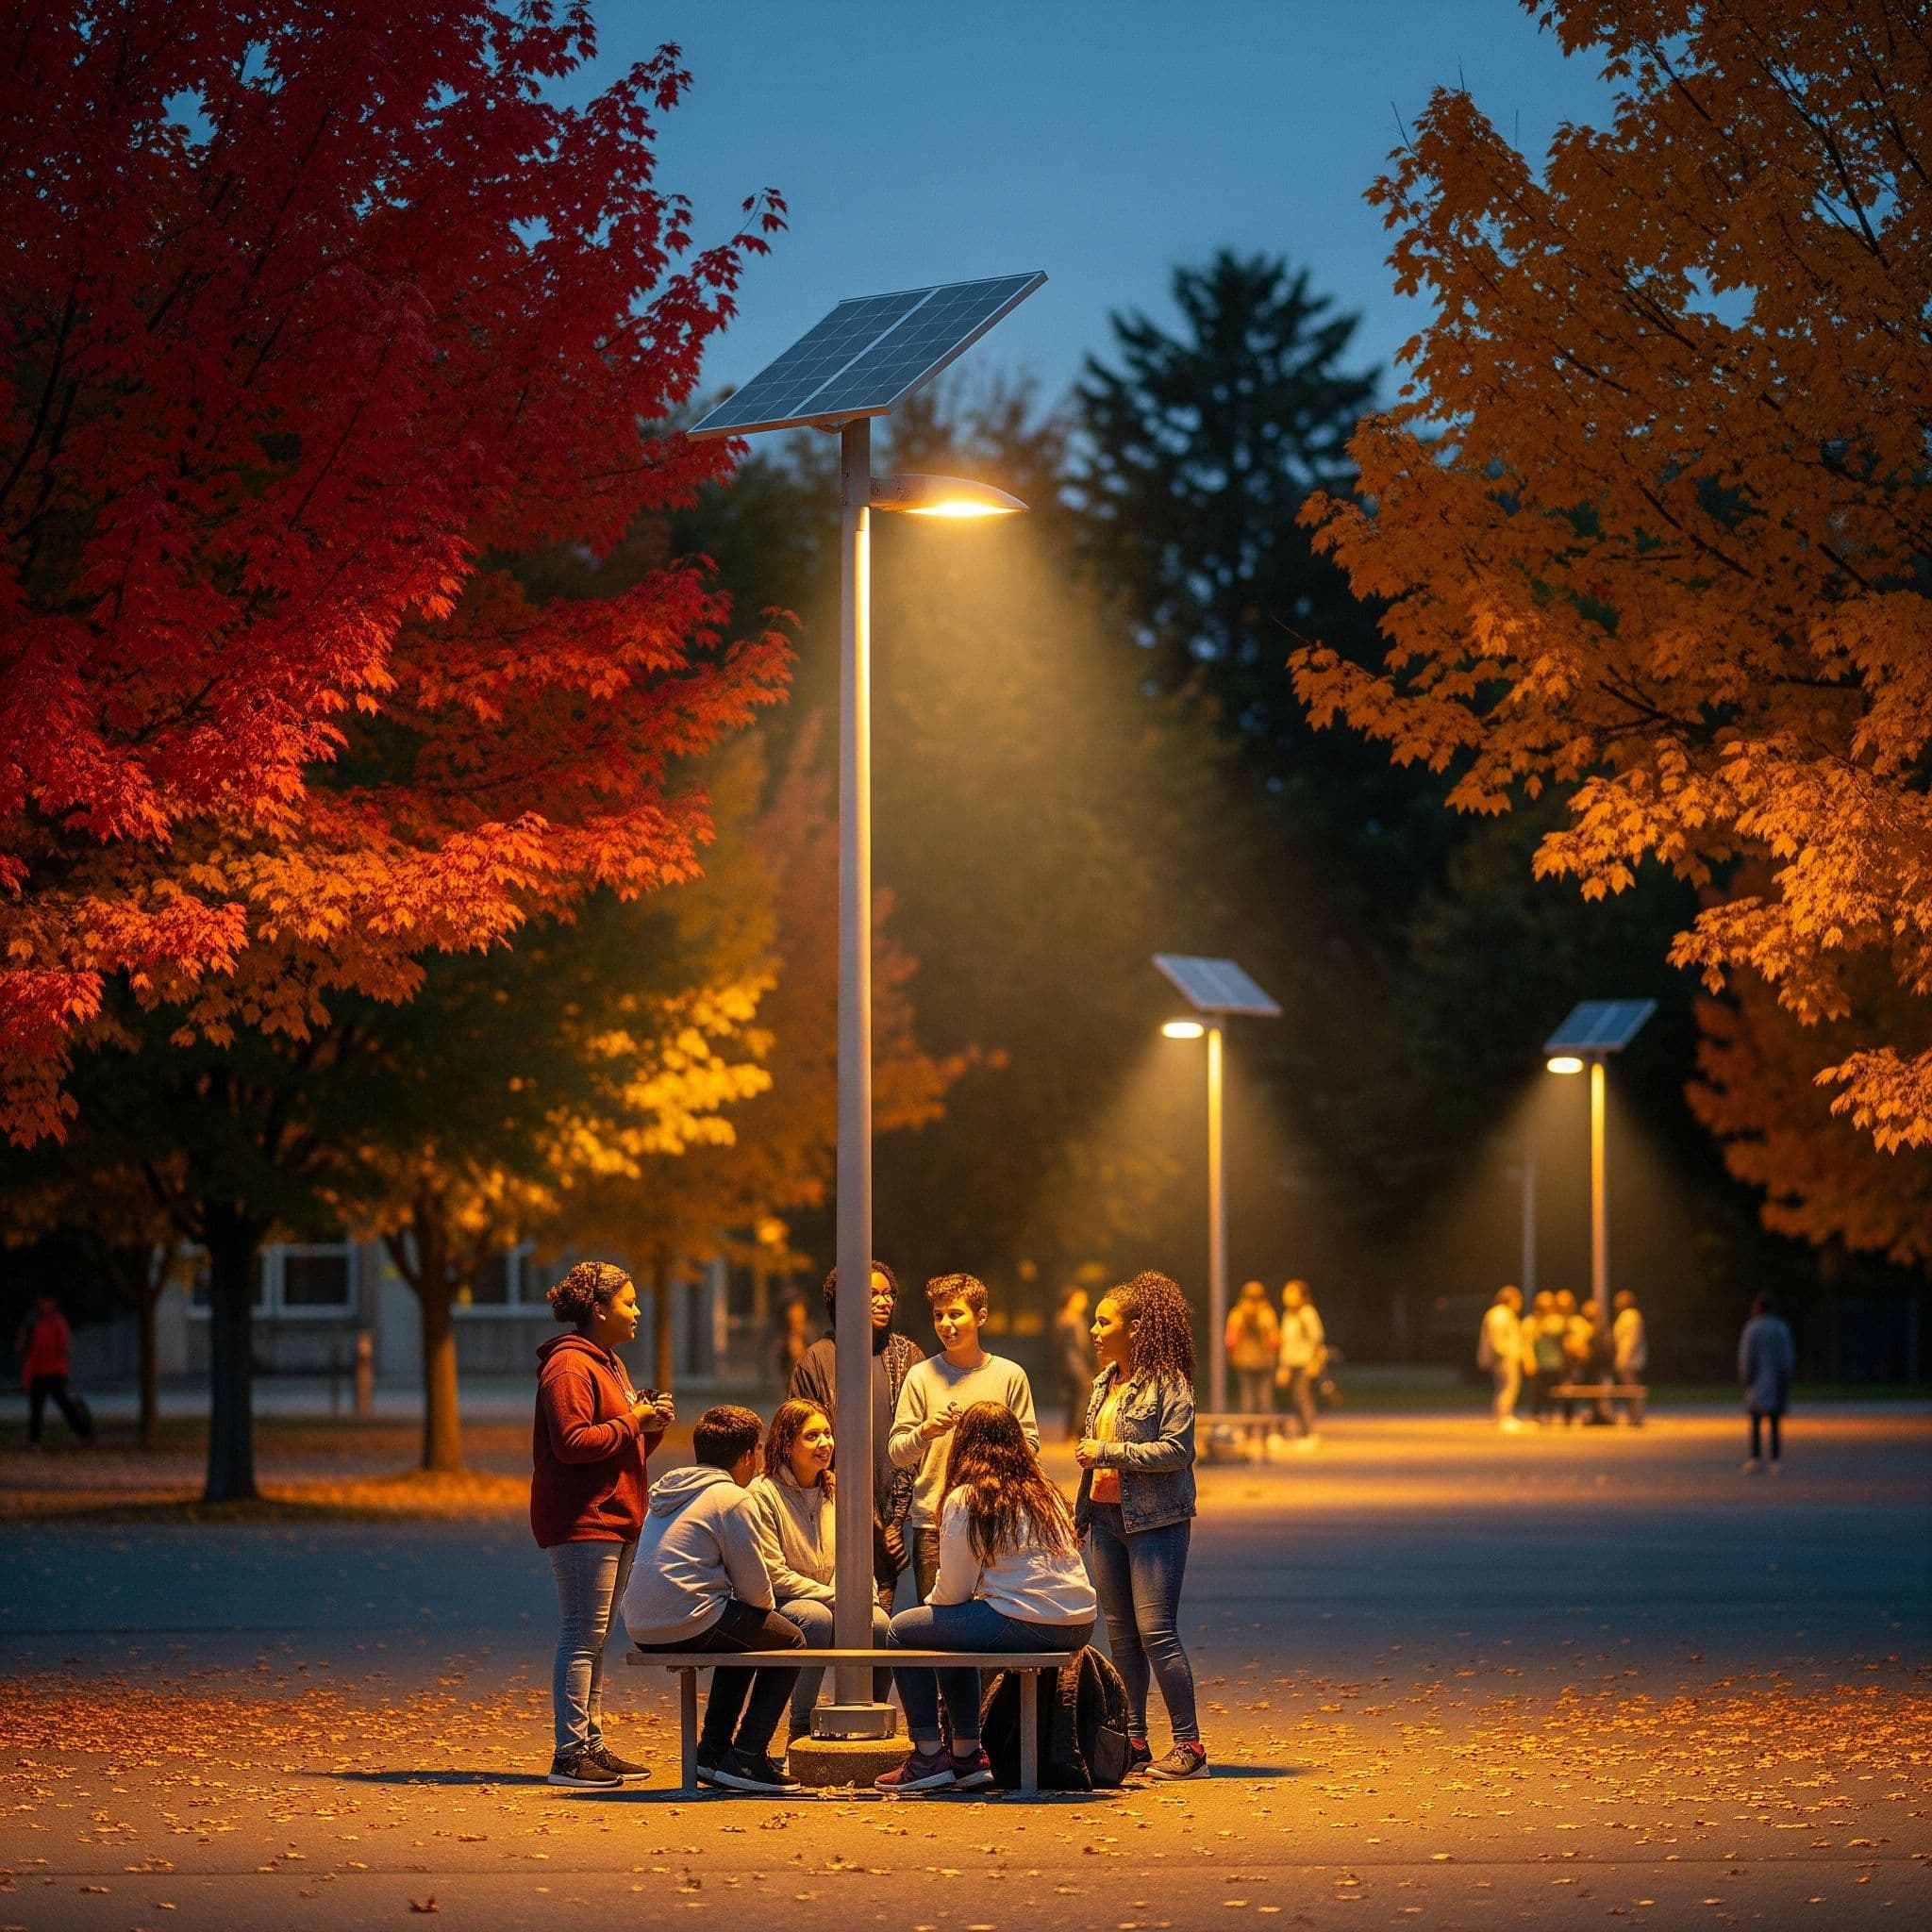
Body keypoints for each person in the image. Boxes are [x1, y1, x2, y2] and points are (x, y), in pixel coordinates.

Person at [877, 1402, 1097, 1794]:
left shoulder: (969, 1496)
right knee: (950, 1628)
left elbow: (954, 1590)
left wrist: (936, 1607)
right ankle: (965, 1756)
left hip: (1030, 1620)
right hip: (1078, 1621)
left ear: (963, 1444)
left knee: (903, 1631)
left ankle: (928, 1755)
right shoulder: (1041, 1489)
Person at [530, 1260, 673, 1789]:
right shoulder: (569, 1367)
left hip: (612, 1513)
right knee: (581, 1634)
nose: (637, 1311)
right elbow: (571, 1443)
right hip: (582, 1517)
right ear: (598, 1309)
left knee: (595, 1636)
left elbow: (615, 1444)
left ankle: (589, 1742)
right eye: (629, 1302)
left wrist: (646, 1427)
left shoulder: (608, 1363)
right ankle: (569, 1754)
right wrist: (630, 1421)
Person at [624, 1404, 806, 1793]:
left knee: (744, 1635)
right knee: (790, 1641)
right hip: (687, 1618)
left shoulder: (673, 1488)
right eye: (757, 1450)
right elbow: (757, 1592)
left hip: (642, 1621)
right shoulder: (732, 1498)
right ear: (745, 1456)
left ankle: (714, 1754)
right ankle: (749, 1755)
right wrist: (768, 1609)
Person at [1076, 1270, 1205, 1781]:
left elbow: (1178, 1451)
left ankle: (1190, 1746)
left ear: (1134, 1328)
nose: (1093, 1328)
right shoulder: (1104, 1384)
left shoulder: (1168, 1382)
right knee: (1122, 1638)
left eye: (1103, 1320)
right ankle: (1134, 1739)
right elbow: (1089, 1465)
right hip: (1108, 1519)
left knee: (1157, 1634)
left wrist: (1109, 1450)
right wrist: (1080, 1515)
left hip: (1156, 1522)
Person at [746, 1397, 893, 1748]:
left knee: (882, 1624)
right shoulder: (762, 1494)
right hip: (785, 1603)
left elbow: (857, 1557)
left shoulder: (838, 1489)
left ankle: (868, 1721)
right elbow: (774, 1574)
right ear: (786, 1442)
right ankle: (800, 1728)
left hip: (836, 1595)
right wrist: (840, 1598)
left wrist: (862, 1594)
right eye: (812, 1436)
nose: (825, 1443)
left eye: (828, 1433)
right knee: (815, 1619)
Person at [890, 1274, 1040, 1602]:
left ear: (981, 1316)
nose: (945, 1323)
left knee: (993, 1622)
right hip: (934, 1522)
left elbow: (1030, 1445)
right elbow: (898, 1452)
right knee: (938, 1627)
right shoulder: (921, 1376)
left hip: (996, 1517)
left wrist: (992, 1442)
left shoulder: (1009, 1375)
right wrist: (926, 1431)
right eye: (938, 1315)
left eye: (955, 1313)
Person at [789, 1260, 924, 1609]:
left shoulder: (908, 1357)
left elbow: (921, 1441)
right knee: (853, 1622)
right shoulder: (818, 1361)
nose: (885, 1302)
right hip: (838, 1512)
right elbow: (802, 1443)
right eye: (873, 1294)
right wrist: (862, 1513)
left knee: (897, 1633)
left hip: (904, 1517)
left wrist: (894, 1521)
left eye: (889, 1294)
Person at [16, 1292, 90, 1447]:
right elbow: (26, 1349)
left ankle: (84, 1434)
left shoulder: (58, 1321)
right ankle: (34, 1440)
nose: (44, 1305)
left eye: (47, 1302)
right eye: (42, 1302)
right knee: (36, 1408)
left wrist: (62, 1365)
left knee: (65, 1405)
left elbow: (64, 1346)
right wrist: (26, 1375)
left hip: (55, 1372)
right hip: (38, 1372)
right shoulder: (32, 1321)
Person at [1738, 1294, 1795, 1473]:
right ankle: (1775, 1461)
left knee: (1755, 1423)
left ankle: (1755, 1458)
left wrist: (1746, 1378)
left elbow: (1746, 1357)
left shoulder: (1751, 1328)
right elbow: (1787, 1357)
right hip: (1777, 1382)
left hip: (1756, 1383)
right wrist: (1786, 1379)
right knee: (1774, 1423)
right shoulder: (1781, 1328)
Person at [1274, 1278, 1324, 1448]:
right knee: (1295, 1399)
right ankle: (1300, 1433)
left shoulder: (1307, 1313)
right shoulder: (1289, 1314)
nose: (1286, 1295)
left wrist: (1314, 1362)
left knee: (1303, 1398)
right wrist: (1283, 1366)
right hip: (1292, 1363)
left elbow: (1317, 1339)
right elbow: (1286, 1342)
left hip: (1304, 1362)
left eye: (1291, 1292)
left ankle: (1309, 1434)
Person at [1224, 1278, 1280, 1417]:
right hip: (1265, 1360)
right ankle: (1267, 1433)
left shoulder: (1237, 1313)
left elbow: (1230, 1340)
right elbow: (1274, 1340)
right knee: (1265, 1397)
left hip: (1244, 1359)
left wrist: (1232, 1355)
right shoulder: (1267, 1313)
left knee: (1247, 1396)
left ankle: (1248, 1432)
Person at [1477, 1286, 1524, 1431]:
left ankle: (1503, 1416)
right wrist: (1502, 1352)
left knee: (1504, 1387)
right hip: (1504, 1357)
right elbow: (1497, 1336)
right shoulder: (1500, 1314)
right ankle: (1504, 1417)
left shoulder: (1501, 1314)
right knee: (1508, 1386)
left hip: (1504, 1355)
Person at [1053, 1286, 1095, 1441]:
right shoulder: (1074, 1320)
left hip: (1065, 1364)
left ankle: (1069, 1432)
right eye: (1081, 1298)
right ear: (1071, 1300)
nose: (1084, 1302)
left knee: (1073, 1397)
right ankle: (1078, 1432)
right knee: (1084, 1393)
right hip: (1076, 1364)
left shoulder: (1059, 1317)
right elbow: (1081, 1345)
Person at [1527, 1291, 1566, 1424]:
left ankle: (1552, 1414)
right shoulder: (1531, 1321)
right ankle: (1535, 1415)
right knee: (1537, 1391)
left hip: (1555, 1362)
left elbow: (1562, 1336)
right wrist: (1529, 1360)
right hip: (1539, 1362)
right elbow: (1527, 1343)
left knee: (1553, 1391)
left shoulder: (1556, 1320)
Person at [1611, 1290, 1648, 1425]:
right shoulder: (1626, 1316)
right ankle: (1633, 1416)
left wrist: (1624, 1357)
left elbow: (1633, 1339)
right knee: (1629, 1389)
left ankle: (1636, 1417)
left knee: (1631, 1389)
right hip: (1626, 1357)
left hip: (1629, 1359)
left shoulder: (1631, 1316)